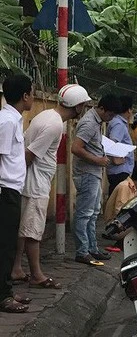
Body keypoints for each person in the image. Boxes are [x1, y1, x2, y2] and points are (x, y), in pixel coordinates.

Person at [12, 84, 91, 290]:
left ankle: (17, 268)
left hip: (33, 180)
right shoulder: (54, 125)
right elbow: (29, 155)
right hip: (35, 182)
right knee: (33, 230)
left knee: (24, 229)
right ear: (78, 106)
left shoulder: (48, 116)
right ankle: (36, 274)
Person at [71, 94, 122, 265]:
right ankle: (82, 251)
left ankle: (91, 248)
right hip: (87, 173)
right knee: (84, 214)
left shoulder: (96, 122)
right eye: (110, 115)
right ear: (101, 109)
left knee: (92, 214)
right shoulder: (89, 123)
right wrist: (98, 160)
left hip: (93, 172)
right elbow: (76, 148)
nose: (111, 118)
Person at [0, 75, 35, 313]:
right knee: (5, 246)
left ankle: (6, 290)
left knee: (9, 244)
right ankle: (3, 296)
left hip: (12, 188)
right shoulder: (7, 122)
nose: (33, 96)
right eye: (32, 92)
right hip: (5, 190)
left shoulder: (14, 119)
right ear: (25, 96)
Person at [106, 95, 134, 196]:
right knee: (120, 201)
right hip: (119, 172)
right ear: (129, 110)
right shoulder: (119, 124)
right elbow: (112, 143)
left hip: (118, 171)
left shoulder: (117, 122)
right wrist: (115, 160)